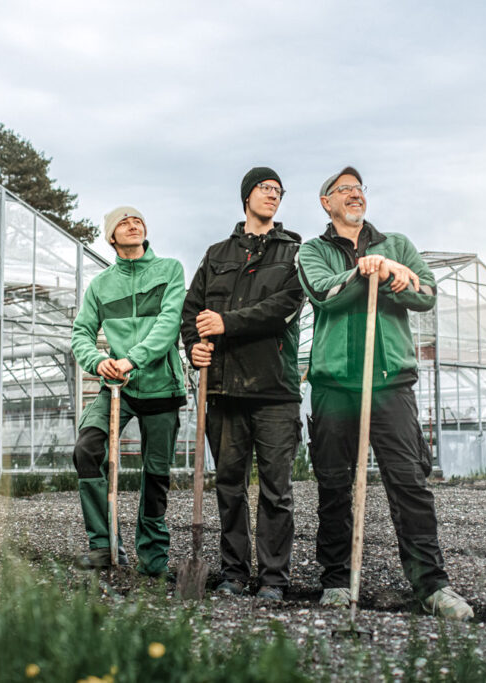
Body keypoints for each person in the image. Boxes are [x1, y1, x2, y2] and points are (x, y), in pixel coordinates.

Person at [297, 166, 473, 620]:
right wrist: (364, 270)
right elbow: (323, 294)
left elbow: (427, 293)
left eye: (359, 189)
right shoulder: (312, 251)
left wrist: (394, 273)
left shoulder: (397, 245)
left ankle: (431, 585)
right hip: (335, 383)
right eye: (344, 190)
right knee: (335, 485)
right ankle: (336, 579)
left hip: (390, 380)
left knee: (409, 483)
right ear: (326, 203)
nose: (355, 195)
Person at [181, 167, 304, 602]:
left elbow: (282, 307)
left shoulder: (294, 252)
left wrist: (226, 323)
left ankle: (273, 578)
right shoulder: (216, 254)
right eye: (265, 189)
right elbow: (192, 310)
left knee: (276, 491)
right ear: (246, 196)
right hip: (224, 391)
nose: (273, 195)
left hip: (274, 390)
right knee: (229, 487)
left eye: (278, 190)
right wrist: (194, 347)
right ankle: (233, 572)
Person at [70, 206, 186, 578]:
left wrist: (132, 360)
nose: (133, 224)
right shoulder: (101, 286)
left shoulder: (169, 270)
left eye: (138, 220)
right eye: (124, 222)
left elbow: (168, 325)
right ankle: (104, 545)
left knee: (155, 474)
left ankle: (152, 557)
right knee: (87, 448)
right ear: (111, 238)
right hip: (116, 385)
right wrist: (97, 361)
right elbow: (81, 333)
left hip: (160, 386)